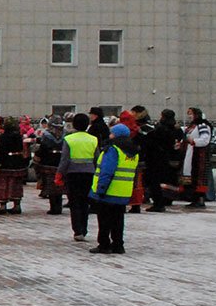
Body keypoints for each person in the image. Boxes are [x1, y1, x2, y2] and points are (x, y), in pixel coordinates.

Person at [89, 124, 139, 254]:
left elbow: (107, 171)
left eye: (111, 133)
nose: (109, 135)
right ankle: (118, 244)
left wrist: (100, 189)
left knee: (104, 219)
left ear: (115, 135)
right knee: (118, 219)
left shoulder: (113, 150)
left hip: (109, 190)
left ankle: (104, 244)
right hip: (123, 191)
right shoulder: (133, 151)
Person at [57, 113, 99, 242]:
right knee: (85, 202)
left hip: (73, 174)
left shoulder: (69, 139)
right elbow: (97, 158)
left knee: (74, 203)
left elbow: (64, 160)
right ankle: (84, 229)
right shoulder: (93, 139)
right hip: (89, 174)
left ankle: (77, 230)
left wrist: (59, 173)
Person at [144, 109, 183, 212]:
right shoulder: (176, 129)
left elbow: (152, 141)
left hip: (158, 158)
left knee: (154, 181)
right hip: (171, 158)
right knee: (169, 179)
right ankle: (168, 198)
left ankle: (158, 203)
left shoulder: (161, 128)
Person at [0, 117, 27, 214]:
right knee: (17, 184)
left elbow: (1, 151)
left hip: (6, 162)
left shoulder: (3, 137)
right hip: (18, 161)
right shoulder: (19, 136)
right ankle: (17, 205)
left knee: (4, 184)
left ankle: (3, 206)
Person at [178, 107, 212, 208]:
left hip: (199, 155)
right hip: (191, 153)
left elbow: (205, 139)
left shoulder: (202, 125)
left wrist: (193, 141)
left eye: (191, 113)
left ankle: (200, 199)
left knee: (199, 176)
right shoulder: (192, 126)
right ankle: (194, 198)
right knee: (192, 176)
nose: (189, 116)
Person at [34, 116, 66, 214]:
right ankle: (59, 206)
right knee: (59, 184)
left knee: (51, 185)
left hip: (48, 162)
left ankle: (53, 207)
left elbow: (42, 149)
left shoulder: (46, 135)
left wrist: (38, 157)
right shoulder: (65, 135)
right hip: (60, 161)